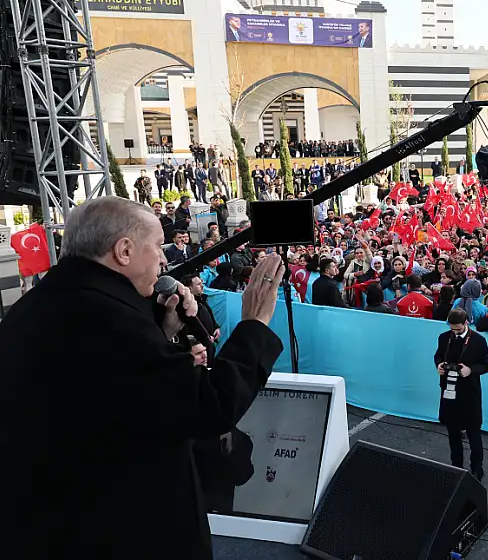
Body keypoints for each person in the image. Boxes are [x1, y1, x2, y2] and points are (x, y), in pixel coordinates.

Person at [0, 196, 285, 560]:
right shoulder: (104, 320)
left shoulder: (47, 304)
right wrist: (254, 324)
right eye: (155, 246)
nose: (164, 259)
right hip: (116, 532)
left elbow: (115, 394)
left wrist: (162, 334)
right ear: (124, 250)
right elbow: (208, 408)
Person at [435, 309, 488, 482]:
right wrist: (439, 365)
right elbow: (437, 355)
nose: (455, 333)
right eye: (452, 329)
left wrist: (470, 370)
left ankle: (477, 468)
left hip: (470, 394)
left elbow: (487, 365)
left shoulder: (478, 341)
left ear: (466, 323)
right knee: (453, 432)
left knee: (474, 432)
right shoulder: (444, 338)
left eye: (458, 330)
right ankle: (456, 467)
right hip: (449, 391)